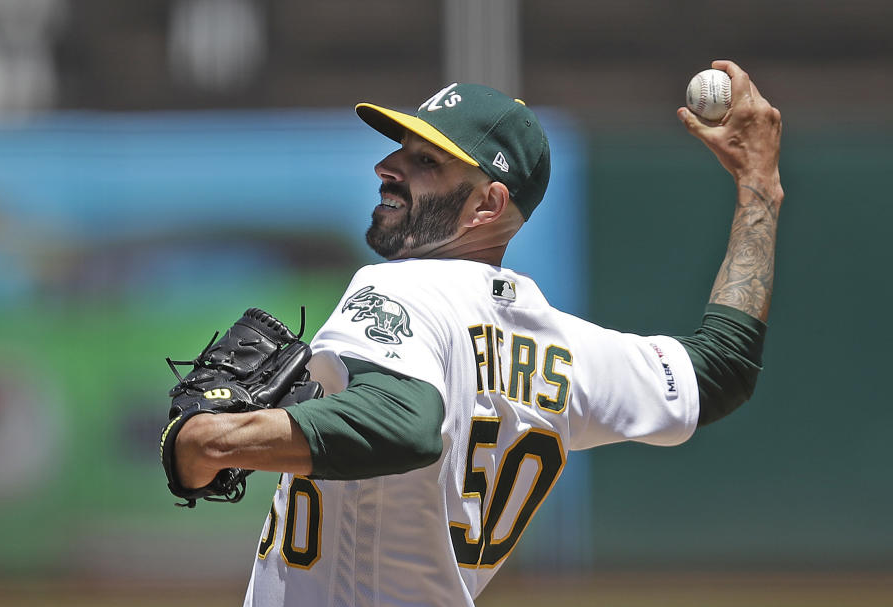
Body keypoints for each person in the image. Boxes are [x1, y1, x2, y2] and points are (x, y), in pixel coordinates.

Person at [172, 59, 783, 606]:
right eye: (400, 149)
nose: (387, 168)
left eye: (425, 162)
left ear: (487, 206)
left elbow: (403, 426)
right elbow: (720, 370)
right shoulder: (563, 348)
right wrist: (760, 189)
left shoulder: (400, 289)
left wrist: (213, 439)